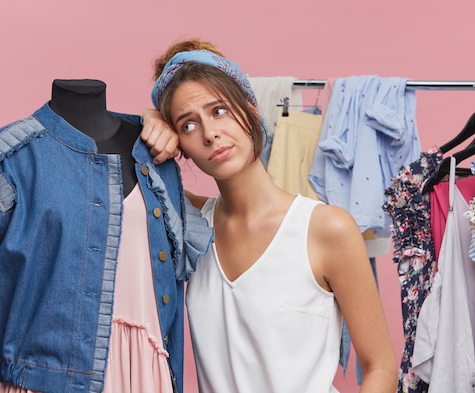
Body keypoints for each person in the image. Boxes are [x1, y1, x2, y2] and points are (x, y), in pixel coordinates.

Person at [144, 45, 397, 392]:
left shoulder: (326, 229)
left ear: (250, 108)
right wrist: (148, 120)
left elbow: (380, 367)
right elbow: (129, 170)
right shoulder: (188, 226)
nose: (210, 133)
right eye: (188, 125)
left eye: (219, 111)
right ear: (180, 145)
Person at [0, 79, 211, 393]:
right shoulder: (12, 157)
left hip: (145, 376)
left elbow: (173, 292)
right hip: (40, 381)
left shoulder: (156, 156)